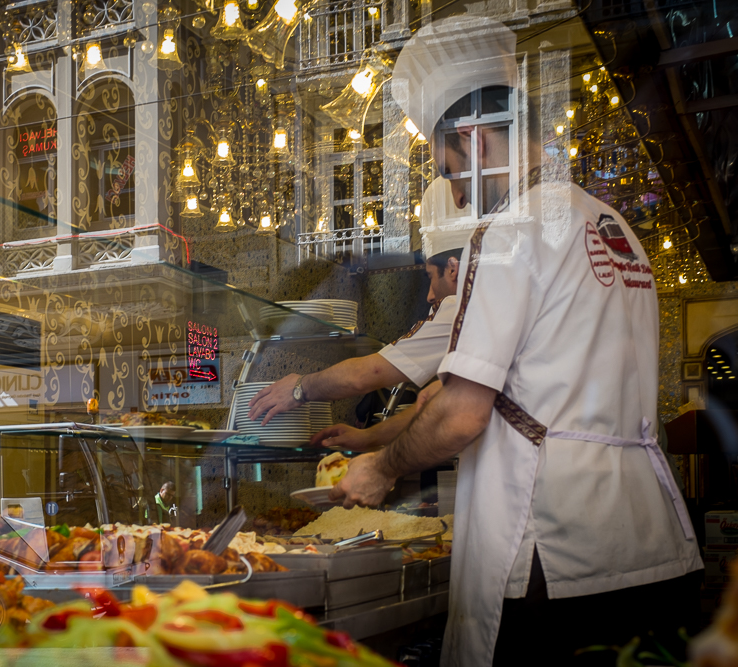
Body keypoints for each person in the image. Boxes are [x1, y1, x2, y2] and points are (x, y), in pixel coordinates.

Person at [329, 15, 702, 667]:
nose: (454, 190)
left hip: (554, 558)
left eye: (448, 168)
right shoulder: (611, 224)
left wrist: (379, 467)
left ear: (473, 141)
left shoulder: (512, 232)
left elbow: (462, 412)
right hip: (653, 546)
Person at [247, 181, 471, 441]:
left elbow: (369, 373)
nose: (430, 295)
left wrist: (299, 388)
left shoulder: (460, 308)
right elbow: (435, 403)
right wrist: (367, 438)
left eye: (431, 276)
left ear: (453, 269)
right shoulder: (482, 305)